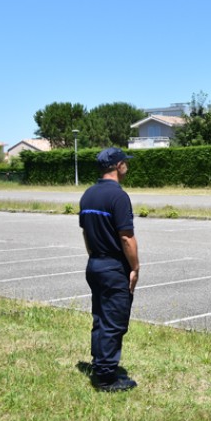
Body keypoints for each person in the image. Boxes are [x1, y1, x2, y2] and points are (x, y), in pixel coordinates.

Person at [79, 147, 139, 392]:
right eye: (125, 163)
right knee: (114, 321)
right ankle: (106, 377)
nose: (127, 166)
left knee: (100, 318)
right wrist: (135, 267)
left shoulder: (88, 195)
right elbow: (126, 237)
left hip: (94, 263)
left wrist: (94, 256)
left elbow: (85, 232)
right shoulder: (118, 196)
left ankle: (99, 364)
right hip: (114, 266)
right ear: (118, 166)